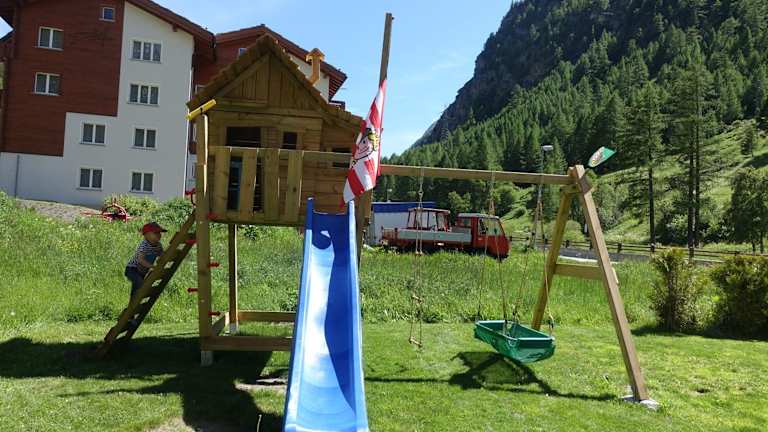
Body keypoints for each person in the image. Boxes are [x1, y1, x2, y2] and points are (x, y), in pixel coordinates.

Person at [124, 222, 167, 327]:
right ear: (147, 235)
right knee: (139, 288)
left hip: (141, 273)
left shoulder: (158, 246)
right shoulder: (144, 245)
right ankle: (130, 315)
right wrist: (153, 267)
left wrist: (164, 259)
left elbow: (162, 256)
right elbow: (141, 260)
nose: (159, 235)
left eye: (160, 233)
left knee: (137, 293)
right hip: (132, 270)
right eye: (156, 233)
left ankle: (130, 315)